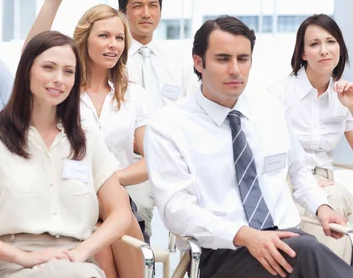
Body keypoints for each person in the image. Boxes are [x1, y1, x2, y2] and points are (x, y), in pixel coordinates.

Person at [146, 15, 353, 278]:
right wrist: (245, 236)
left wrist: (322, 209)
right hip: (225, 250)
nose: (235, 69)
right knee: (308, 251)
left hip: (287, 239)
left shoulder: (270, 108)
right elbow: (176, 209)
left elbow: (299, 171)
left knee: (310, 249)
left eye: (243, 59)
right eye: (223, 59)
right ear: (199, 62)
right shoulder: (168, 125)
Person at [0, 30, 133, 278]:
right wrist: (23, 258)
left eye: (68, 71)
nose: (59, 79)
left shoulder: (88, 141)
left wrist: (82, 251)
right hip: (11, 266)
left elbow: (121, 212)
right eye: (49, 67)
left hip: (76, 265)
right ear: (27, 72)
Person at [22, 0, 149, 277]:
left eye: (119, 38)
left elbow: (153, 161)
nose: (113, 45)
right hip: (65, 202)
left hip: (115, 200)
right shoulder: (60, 88)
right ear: (85, 38)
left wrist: (107, 180)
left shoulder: (133, 94)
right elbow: (31, 56)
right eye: (104, 35)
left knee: (116, 222)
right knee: (101, 249)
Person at [269, 13, 353, 263]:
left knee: (337, 196)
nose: (324, 50)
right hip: (288, 181)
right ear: (303, 53)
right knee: (336, 199)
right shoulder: (279, 94)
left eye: (331, 41)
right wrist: (310, 181)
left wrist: (352, 107)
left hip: (327, 181)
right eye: (314, 44)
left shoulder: (344, 94)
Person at [116, 0, 195, 233]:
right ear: (122, 12)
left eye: (153, 6)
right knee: (137, 216)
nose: (146, 13)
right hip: (130, 163)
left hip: (175, 161)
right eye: (137, 6)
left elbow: (192, 112)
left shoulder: (178, 60)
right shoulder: (112, 59)